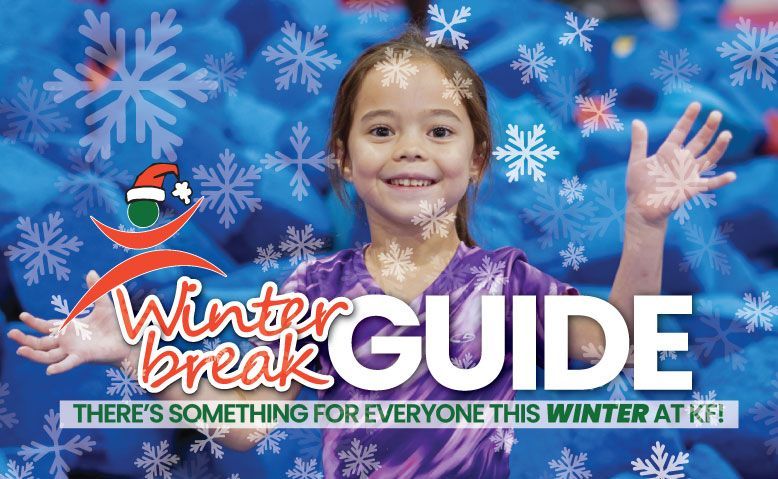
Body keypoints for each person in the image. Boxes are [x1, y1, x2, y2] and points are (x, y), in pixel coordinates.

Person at [7, 25, 736, 478]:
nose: (411, 148)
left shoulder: (504, 283)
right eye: (382, 130)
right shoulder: (314, 290)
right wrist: (141, 355)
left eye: (440, 131)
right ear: (344, 160)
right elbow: (247, 423)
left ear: (479, 159)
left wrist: (643, 227)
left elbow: (619, 342)